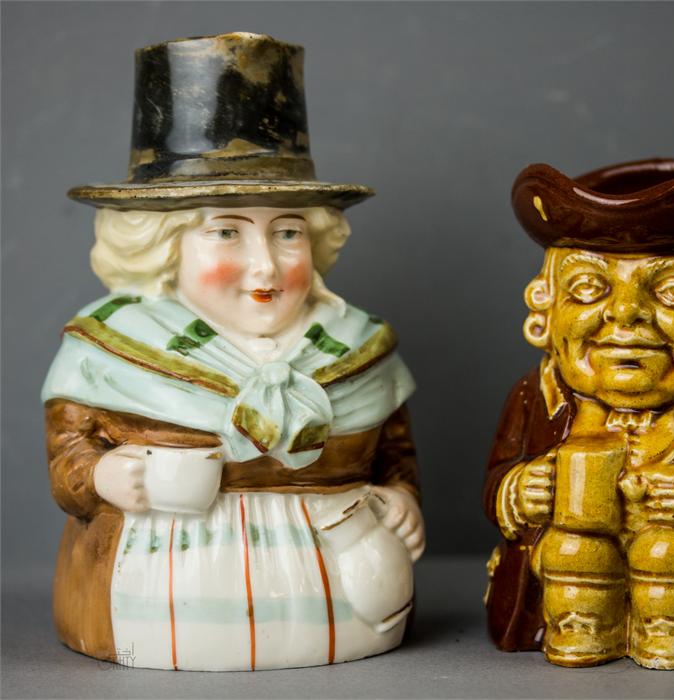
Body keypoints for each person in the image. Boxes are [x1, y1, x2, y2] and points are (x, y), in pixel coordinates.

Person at [42, 33, 423, 671]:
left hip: (348, 597)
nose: (265, 264)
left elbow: (395, 453)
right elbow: (69, 458)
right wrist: (105, 477)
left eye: (288, 232)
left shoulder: (361, 344)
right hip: (156, 602)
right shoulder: (109, 348)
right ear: (164, 245)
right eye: (226, 231)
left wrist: (404, 498)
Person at [484, 159, 674, 669]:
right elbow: (495, 478)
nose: (625, 313)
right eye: (587, 288)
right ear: (548, 308)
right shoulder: (534, 396)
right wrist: (520, 490)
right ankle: (576, 627)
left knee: (668, 555)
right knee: (568, 551)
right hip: (565, 562)